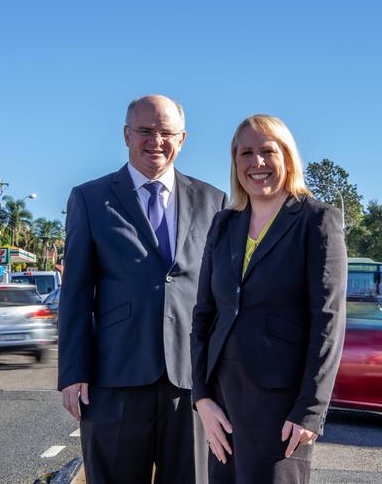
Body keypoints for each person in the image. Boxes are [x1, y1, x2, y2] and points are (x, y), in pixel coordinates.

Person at [58, 94, 227, 484]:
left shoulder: (213, 200)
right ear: (126, 135)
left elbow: (221, 296)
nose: (156, 140)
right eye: (146, 131)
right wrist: (72, 372)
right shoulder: (90, 198)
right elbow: (77, 294)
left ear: (182, 138)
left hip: (191, 381)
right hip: (115, 377)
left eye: (166, 132)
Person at [190, 114, 347, 483]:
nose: (256, 163)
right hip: (222, 403)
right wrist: (202, 397)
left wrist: (310, 410)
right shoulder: (224, 224)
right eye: (246, 153)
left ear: (287, 158)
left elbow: (328, 321)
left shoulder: (317, 221)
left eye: (266, 151)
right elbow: (203, 314)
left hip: (282, 408)